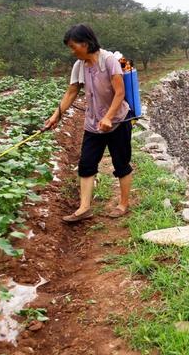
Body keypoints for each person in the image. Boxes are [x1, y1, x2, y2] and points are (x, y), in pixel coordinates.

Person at [44, 24, 133, 222]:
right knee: (86, 163)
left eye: (73, 46)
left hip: (117, 120)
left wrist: (109, 117)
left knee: (121, 163)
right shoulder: (80, 65)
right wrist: (55, 116)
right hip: (93, 123)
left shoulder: (109, 61)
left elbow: (120, 93)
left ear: (85, 44)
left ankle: (123, 204)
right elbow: (72, 92)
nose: (72, 51)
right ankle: (84, 208)